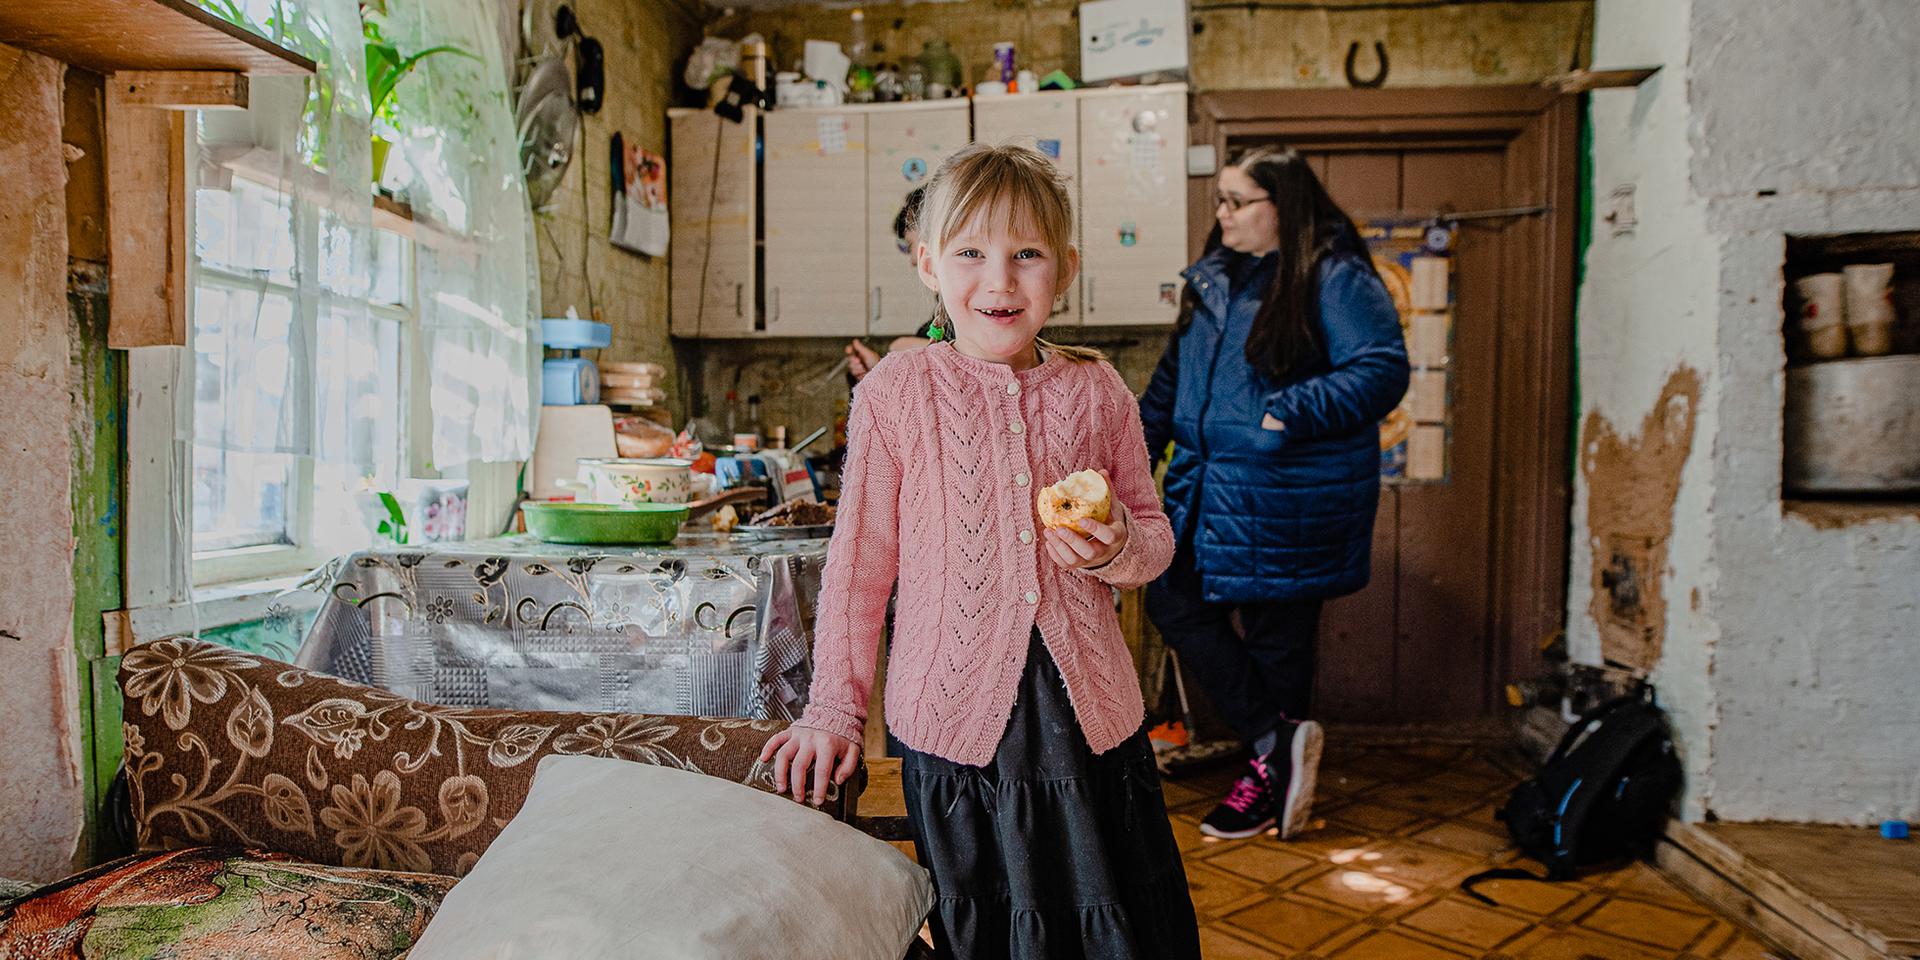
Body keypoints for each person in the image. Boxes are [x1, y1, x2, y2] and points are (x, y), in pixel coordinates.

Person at [761, 144, 1201, 959]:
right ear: (928, 263)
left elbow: (1155, 535)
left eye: (1026, 254)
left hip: (1093, 722)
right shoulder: (895, 393)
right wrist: (833, 710)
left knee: (1126, 928)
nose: (999, 281)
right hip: (957, 730)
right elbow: (860, 568)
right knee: (994, 933)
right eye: (971, 253)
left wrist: (1117, 550)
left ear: (1063, 270)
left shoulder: (1097, 389)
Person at [1140, 146, 1410, 842]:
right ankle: (1274, 744)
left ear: (1281, 208)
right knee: (1172, 600)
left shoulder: (1333, 275)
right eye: (1222, 200)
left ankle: (1271, 778)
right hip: (1208, 488)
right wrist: (1131, 456)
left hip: (1288, 493)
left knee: (1276, 641)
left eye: (1236, 201)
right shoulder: (1217, 279)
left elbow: (1381, 370)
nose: (1222, 214)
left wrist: (1285, 411)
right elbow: (1172, 383)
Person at [847, 186, 935, 383]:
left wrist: (911, 347)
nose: (914, 260)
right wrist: (878, 372)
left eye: (911, 244)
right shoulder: (945, 307)